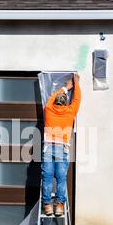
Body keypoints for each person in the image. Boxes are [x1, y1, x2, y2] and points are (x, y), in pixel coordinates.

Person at [41, 73, 81, 216]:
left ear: (55, 102)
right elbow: (77, 99)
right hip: (61, 148)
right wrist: (76, 85)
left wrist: (65, 88)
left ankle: (47, 205)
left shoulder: (49, 110)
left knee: (47, 177)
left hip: (48, 147)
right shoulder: (70, 112)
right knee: (61, 178)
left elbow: (51, 99)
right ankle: (59, 205)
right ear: (65, 103)